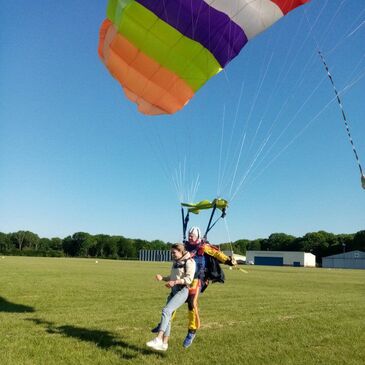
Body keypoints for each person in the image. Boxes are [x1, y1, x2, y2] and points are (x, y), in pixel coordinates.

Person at [182, 226, 236, 348]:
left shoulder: (203, 246)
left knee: (191, 302)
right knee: (173, 299)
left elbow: (217, 254)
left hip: (198, 279)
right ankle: (164, 324)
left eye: (192, 235)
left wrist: (228, 261)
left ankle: (192, 330)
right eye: (189, 235)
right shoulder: (185, 246)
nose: (190, 237)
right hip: (184, 279)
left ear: (198, 236)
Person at [146, 243, 196, 351]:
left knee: (166, 311)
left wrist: (175, 282)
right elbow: (172, 277)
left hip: (182, 291)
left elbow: (189, 279)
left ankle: (158, 338)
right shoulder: (176, 262)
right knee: (168, 317)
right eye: (171, 252)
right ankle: (164, 344)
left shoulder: (190, 262)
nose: (172, 254)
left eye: (174, 252)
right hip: (173, 291)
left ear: (181, 251)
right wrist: (163, 278)